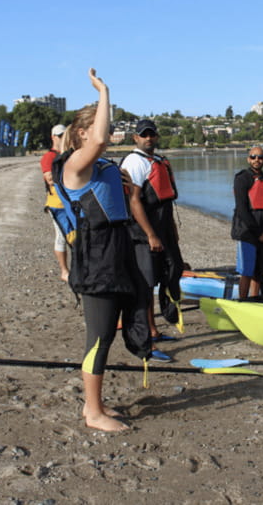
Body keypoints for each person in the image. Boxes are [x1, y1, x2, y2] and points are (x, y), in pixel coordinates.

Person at [52, 69, 150, 432]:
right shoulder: (75, 164)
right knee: (99, 336)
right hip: (96, 261)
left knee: (108, 333)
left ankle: (97, 405)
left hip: (116, 252)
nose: (106, 134)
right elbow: (97, 144)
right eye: (99, 128)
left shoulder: (100, 167)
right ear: (81, 133)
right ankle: (92, 412)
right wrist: (104, 91)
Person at [119, 119, 184, 363]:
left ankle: (156, 328)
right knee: (144, 286)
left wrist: (171, 231)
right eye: (143, 135)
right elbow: (135, 200)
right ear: (135, 138)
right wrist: (150, 234)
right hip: (143, 233)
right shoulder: (135, 162)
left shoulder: (158, 161)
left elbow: (166, 203)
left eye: (151, 134)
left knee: (173, 270)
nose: (148, 138)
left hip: (164, 228)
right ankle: (145, 342)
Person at [231, 146, 263, 299]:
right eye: (253, 157)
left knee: (262, 268)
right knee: (247, 269)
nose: (257, 160)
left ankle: (256, 298)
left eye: (260, 157)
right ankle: (243, 300)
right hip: (247, 230)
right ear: (248, 159)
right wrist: (258, 234)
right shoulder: (242, 178)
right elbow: (242, 209)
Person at [40, 124, 70, 282]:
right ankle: (64, 270)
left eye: (65, 135)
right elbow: (50, 179)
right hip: (56, 204)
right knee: (61, 237)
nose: (62, 138)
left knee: (75, 236)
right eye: (60, 135)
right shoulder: (48, 157)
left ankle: (76, 268)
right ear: (53, 137)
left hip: (70, 203)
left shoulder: (69, 154)